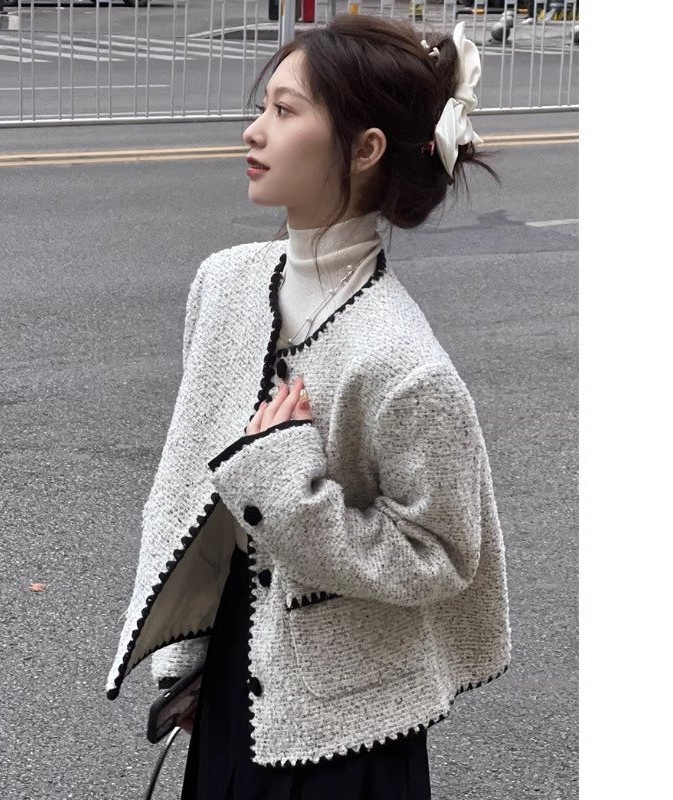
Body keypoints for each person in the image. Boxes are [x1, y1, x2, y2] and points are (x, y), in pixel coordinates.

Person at [105, 13, 512, 800]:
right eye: (265, 107)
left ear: (365, 149)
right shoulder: (224, 285)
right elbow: (186, 475)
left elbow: (444, 555)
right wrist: (186, 658)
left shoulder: (402, 363)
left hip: (344, 734)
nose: (254, 130)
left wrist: (292, 495)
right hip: (231, 682)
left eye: (285, 111)